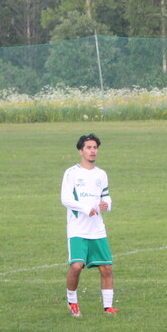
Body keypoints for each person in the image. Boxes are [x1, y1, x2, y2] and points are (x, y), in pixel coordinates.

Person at [60, 134, 115, 317]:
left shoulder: (101, 174)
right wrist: (85, 208)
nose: (93, 151)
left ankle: (108, 307)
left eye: (95, 147)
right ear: (80, 151)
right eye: (89, 147)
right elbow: (66, 199)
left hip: (97, 228)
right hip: (78, 229)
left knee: (106, 268)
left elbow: (105, 195)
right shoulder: (71, 173)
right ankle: (72, 302)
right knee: (76, 266)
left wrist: (107, 204)